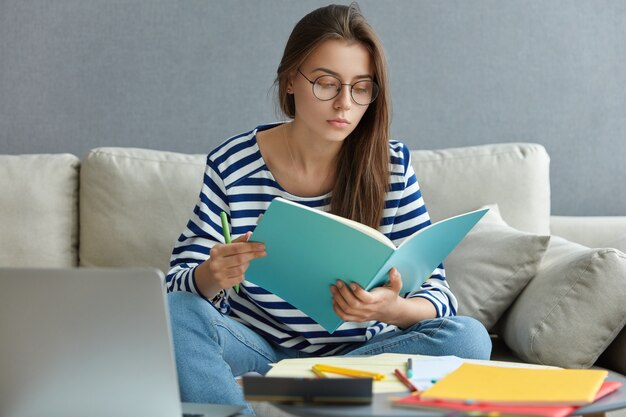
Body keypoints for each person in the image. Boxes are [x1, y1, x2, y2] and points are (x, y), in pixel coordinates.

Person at [166, 3, 491, 414]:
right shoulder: (232, 164)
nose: (344, 104)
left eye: (360, 87)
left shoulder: (390, 165)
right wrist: (212, 275)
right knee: (177, 314)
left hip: (359, 357)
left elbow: (438, 294)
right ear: (289, 81)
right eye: (326, 83)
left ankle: (290, 389)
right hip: (256, 349)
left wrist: (393, 309)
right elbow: (176, 288)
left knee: (469, 338)